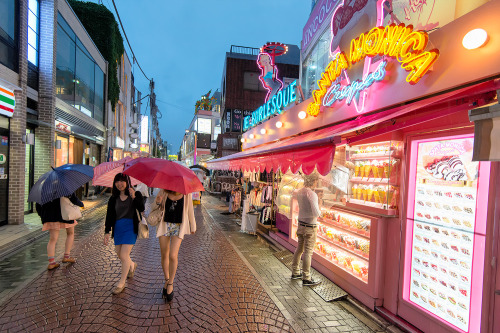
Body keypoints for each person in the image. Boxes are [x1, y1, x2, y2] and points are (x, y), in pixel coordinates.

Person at [104, 173, 145, 295]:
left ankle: (121, 283)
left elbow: (142, 208)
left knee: (124, 254)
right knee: (120, 255)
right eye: (117, 181)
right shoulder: (113, 199)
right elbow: (109, 216)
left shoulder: (136, 194)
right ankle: (132, 265)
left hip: (130, 228)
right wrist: (107, 231)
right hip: (118, 228)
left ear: (127, 182)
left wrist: (133, 196)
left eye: (122, 181)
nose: (119, 184)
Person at [154, 189, 196, 301]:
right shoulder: (163, 190)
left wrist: (193, 225)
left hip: (178, 227)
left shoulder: (187, 192)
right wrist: (158, 201)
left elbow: (190, 210)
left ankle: (171, 283)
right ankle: (167, 280)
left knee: (173, 255)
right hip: (164, 225)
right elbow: (155, 207)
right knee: (164, 254)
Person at [36, 193, 84, 270]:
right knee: (70, 233)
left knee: (53, 239)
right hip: (65, 214)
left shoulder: (44, 189)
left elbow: (38, 205)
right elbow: (73, 199)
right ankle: (66, 257)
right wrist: (81, 204)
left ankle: (51, 263)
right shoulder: (63, 187)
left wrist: (42, 215)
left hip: (50, 216)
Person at [291, 173, 322, 286]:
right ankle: (306, 277)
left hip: (301, 224)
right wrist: (320, 204)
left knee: (299, 249)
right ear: (313, 181)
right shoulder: (312, 194)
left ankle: (295, 272)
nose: (316, 183)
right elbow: (316, 213)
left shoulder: (299, 192)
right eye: (316, 181)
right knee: (308, 252)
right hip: (310, 227)